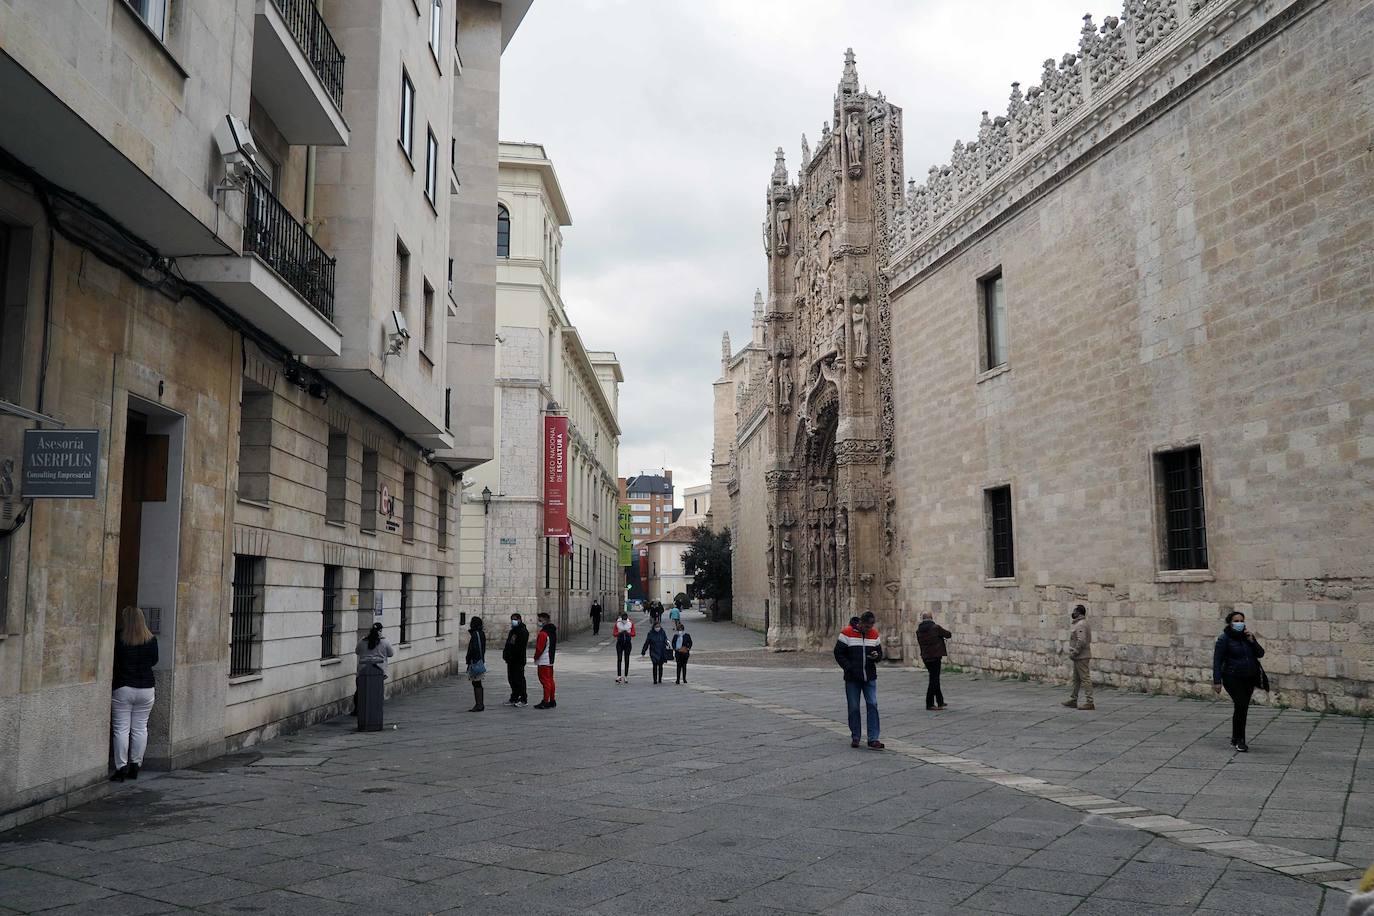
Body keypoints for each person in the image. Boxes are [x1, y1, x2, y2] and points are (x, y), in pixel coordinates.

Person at [111, 606, 158, 782]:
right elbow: (154, 660)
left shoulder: (119, 637)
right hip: (146, 687)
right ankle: (135, 765)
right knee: (140, 728)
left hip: (124, 686)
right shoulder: (151, 639)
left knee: (121, 729)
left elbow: (115, 659)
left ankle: (120, 767)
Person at [1212, 611, 1266, 752]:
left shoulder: (1247, 637)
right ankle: (1240, 740)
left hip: (1249, 677)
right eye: (1236, 621)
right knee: (1241, 704)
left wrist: (1252, 641)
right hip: (1232, 677)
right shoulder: (1224, 639)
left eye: (1241, 620)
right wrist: (1217, 681)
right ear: (1230, 623)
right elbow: (1217, 660)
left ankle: (1236, 737)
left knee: (1242, 708)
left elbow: (1260, 653)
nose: (1239, 623)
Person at [833, 611, 884, 750]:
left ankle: (873, 738)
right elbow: (838, 653)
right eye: (866, 627)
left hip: (869, 676)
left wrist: (876, 656)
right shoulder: (846, 633)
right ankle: (856, 735)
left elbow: (880, 654)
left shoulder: (874, 634)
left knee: (872, 704)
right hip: (852, 678)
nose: (868, 630)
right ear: (860, 623)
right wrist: (848, 668)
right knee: (854, 707)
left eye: (871, 627)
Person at [355, 621, 394, 715]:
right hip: (378, 670)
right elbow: (390, 654)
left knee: (360, 690)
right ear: (381, 630)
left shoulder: (363, 641)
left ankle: (358, 708)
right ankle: (375, 708)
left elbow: (357, 651)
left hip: (363, 669)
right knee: (376, 690)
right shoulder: (384, 641)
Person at [916, 612, 952, 710]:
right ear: (931, 618)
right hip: (935, 656)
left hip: (926, 657)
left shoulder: (919, 630)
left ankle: (940, 700)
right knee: (934, 680)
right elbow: (948, 634)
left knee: (934, 678)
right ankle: (929, 703)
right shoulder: (935, 628)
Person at [1062, 605, 1094, 710]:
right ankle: (1073, 699)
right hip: (1079, 657)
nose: (1073, 613)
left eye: (1074, 611)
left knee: (1085, 679)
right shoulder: (1082, 623)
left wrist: (1075, 652)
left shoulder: (1080, 625)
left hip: (1081, 656)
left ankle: (1090, 702)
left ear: (1079, 613)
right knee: (1076, 679)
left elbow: (1081, 641)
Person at [503, 613, 529, 707]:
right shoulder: (513, 631)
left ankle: (523, 699)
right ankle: (514, 697)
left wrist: (513, 655)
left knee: (519, 679)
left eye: (515, 619)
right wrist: (506, 654)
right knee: (512, 679)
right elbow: (509, 643)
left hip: (518, 660)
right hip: (510, 660)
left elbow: (520, 647)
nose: (513, 621)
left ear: (519, 619)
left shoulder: (523, 631)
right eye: (512, 619)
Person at [533, 612, 557, 709]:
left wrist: (535, 657)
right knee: (550, 680)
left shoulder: (543, 633)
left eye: (540, 620)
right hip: (550, 660)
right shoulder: (552, 632)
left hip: (543, 660)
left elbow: (539, 648)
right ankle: (552, 700)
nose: (539, 622)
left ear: (545, 620)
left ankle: (545, 701)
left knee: (545, 681)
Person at [465, 617, 487, 712]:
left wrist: (470, 660)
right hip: (479, 660)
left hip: (475, 661)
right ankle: (479, 704)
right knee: (477, 683)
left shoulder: (475, 634)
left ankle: (479, 704)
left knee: (476, 683)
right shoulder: (481, 633)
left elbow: (473, 649)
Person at [642, 619, 671, 685]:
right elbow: (647, 642)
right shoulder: (650, 633)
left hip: (661, 651)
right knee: (655, 665)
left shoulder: (662, 632)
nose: (658, 628)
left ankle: (660, 678)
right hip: (653, 651)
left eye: (659, 626)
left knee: (660, 665)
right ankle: (655, 679)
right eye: (656, 626)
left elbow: (665, 639)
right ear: (654, 627)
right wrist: (643, 651)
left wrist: (668, 643)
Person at [613, 610, 636, 685]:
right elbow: (614, 633)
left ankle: (626, 675)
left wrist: (628, 633)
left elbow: (633, 634)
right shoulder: (617, 624)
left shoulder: (630, 623)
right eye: (623, 619)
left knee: (627, 659)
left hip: (628, 643)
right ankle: (619, 675)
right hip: (619, 643)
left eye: (625, 619)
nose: (624, 620)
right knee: (619, 659)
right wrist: (619, 632)